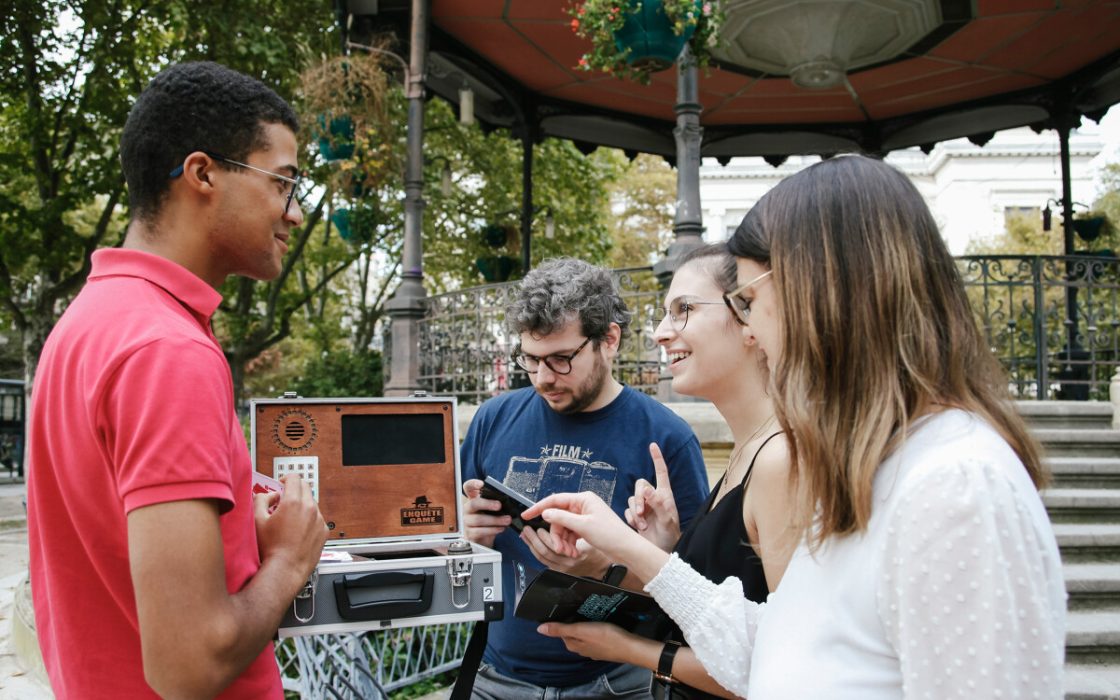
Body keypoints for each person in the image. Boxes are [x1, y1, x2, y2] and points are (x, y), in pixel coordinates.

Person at [525, 155, 1067, 699]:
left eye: (750, 301)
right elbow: (776, 646)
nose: (751, 329)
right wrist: (629, 547)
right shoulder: (873, 463)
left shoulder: (958, 486)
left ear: (827, 290)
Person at [27, 61, 328, 699]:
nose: (294, 213)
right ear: (203, 174)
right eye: (283, 183)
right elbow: (189, 665)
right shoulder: (169, 350)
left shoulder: (89, 321)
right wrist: (288, 561)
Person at [460, 257, 711, 699]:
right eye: (531, 360)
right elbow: (446, 547)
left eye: (561, 360)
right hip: (495, 678)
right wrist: (465, 536)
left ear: (608, 339)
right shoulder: (493, 419)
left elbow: (698, 596)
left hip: (615, 682)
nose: (542, 378)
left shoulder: (667, 438)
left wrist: (607, 569)